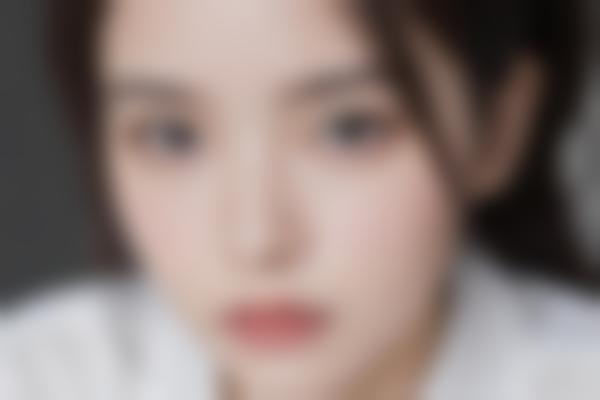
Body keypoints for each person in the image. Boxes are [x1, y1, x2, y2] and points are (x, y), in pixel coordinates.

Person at [1, 0, 597, 399]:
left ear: (498, 130)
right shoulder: (35, 377)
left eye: (350, 129)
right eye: (172, 135)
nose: (256, 239)